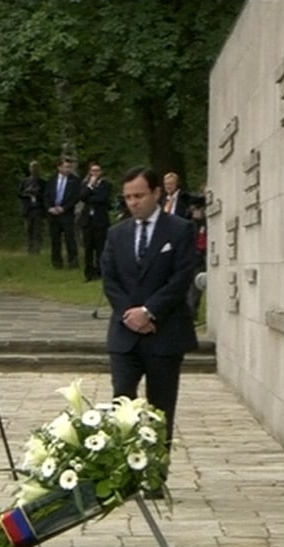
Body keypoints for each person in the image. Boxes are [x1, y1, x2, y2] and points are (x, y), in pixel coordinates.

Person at [100, 167, 198, 445]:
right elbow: (110, 279)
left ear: (156, 193)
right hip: (125, 334)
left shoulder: (180, 230)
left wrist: (149, 311)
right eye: (128, 197)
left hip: (164, 332)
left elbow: (181, 277)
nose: (133, 202)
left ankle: (154, 478)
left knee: (160, 409)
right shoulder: (117, 234)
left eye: (139, 196)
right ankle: (123, 471)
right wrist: (129, 314)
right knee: (122, 403)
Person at [44, 156, 81, 270]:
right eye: (65, 167)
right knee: (55, 239)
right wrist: (49, 208)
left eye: (69, 167)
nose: (67, 169)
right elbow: (46, 195)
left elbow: (75, 197)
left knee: (70, 238)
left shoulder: (74, 181)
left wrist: (64, 208)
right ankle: (57, 263)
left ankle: (73, 261)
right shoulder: (52, 180)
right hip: (53, 213)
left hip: (66, 213)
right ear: (59, 167)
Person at [79, 162, 113, 282]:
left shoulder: (106, 185)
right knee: (88, 248)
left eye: (97, 170)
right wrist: (90, 187)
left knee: (100, 247)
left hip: (100, 220)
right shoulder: (85, 184)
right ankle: (89, 273)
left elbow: (102, 198)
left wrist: (90, 198)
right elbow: (82, 196)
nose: (95, 173)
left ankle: (101, 272)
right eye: (93, 170)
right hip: (88, 220)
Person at [186, 194, 208, 323]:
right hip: (195, 257)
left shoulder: (205, 223)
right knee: (192, 287)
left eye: (196, 210)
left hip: (203, 256)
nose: (194, 213)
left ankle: (192, 312)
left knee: (197, 286)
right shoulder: (191, 225)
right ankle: (191, 313)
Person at [17, 161, 45, 255]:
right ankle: (29, 248)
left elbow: (46, 195)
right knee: (28, 229)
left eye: (36, 168)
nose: (34, 170)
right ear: (29, 169)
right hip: (27, 209)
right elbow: (19, 194)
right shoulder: (24, 181)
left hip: (38, 209)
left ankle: (37, 249)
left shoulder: (42, 182)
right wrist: (27, 193)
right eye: (32, 167)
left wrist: (37, 193)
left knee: (38, 230)